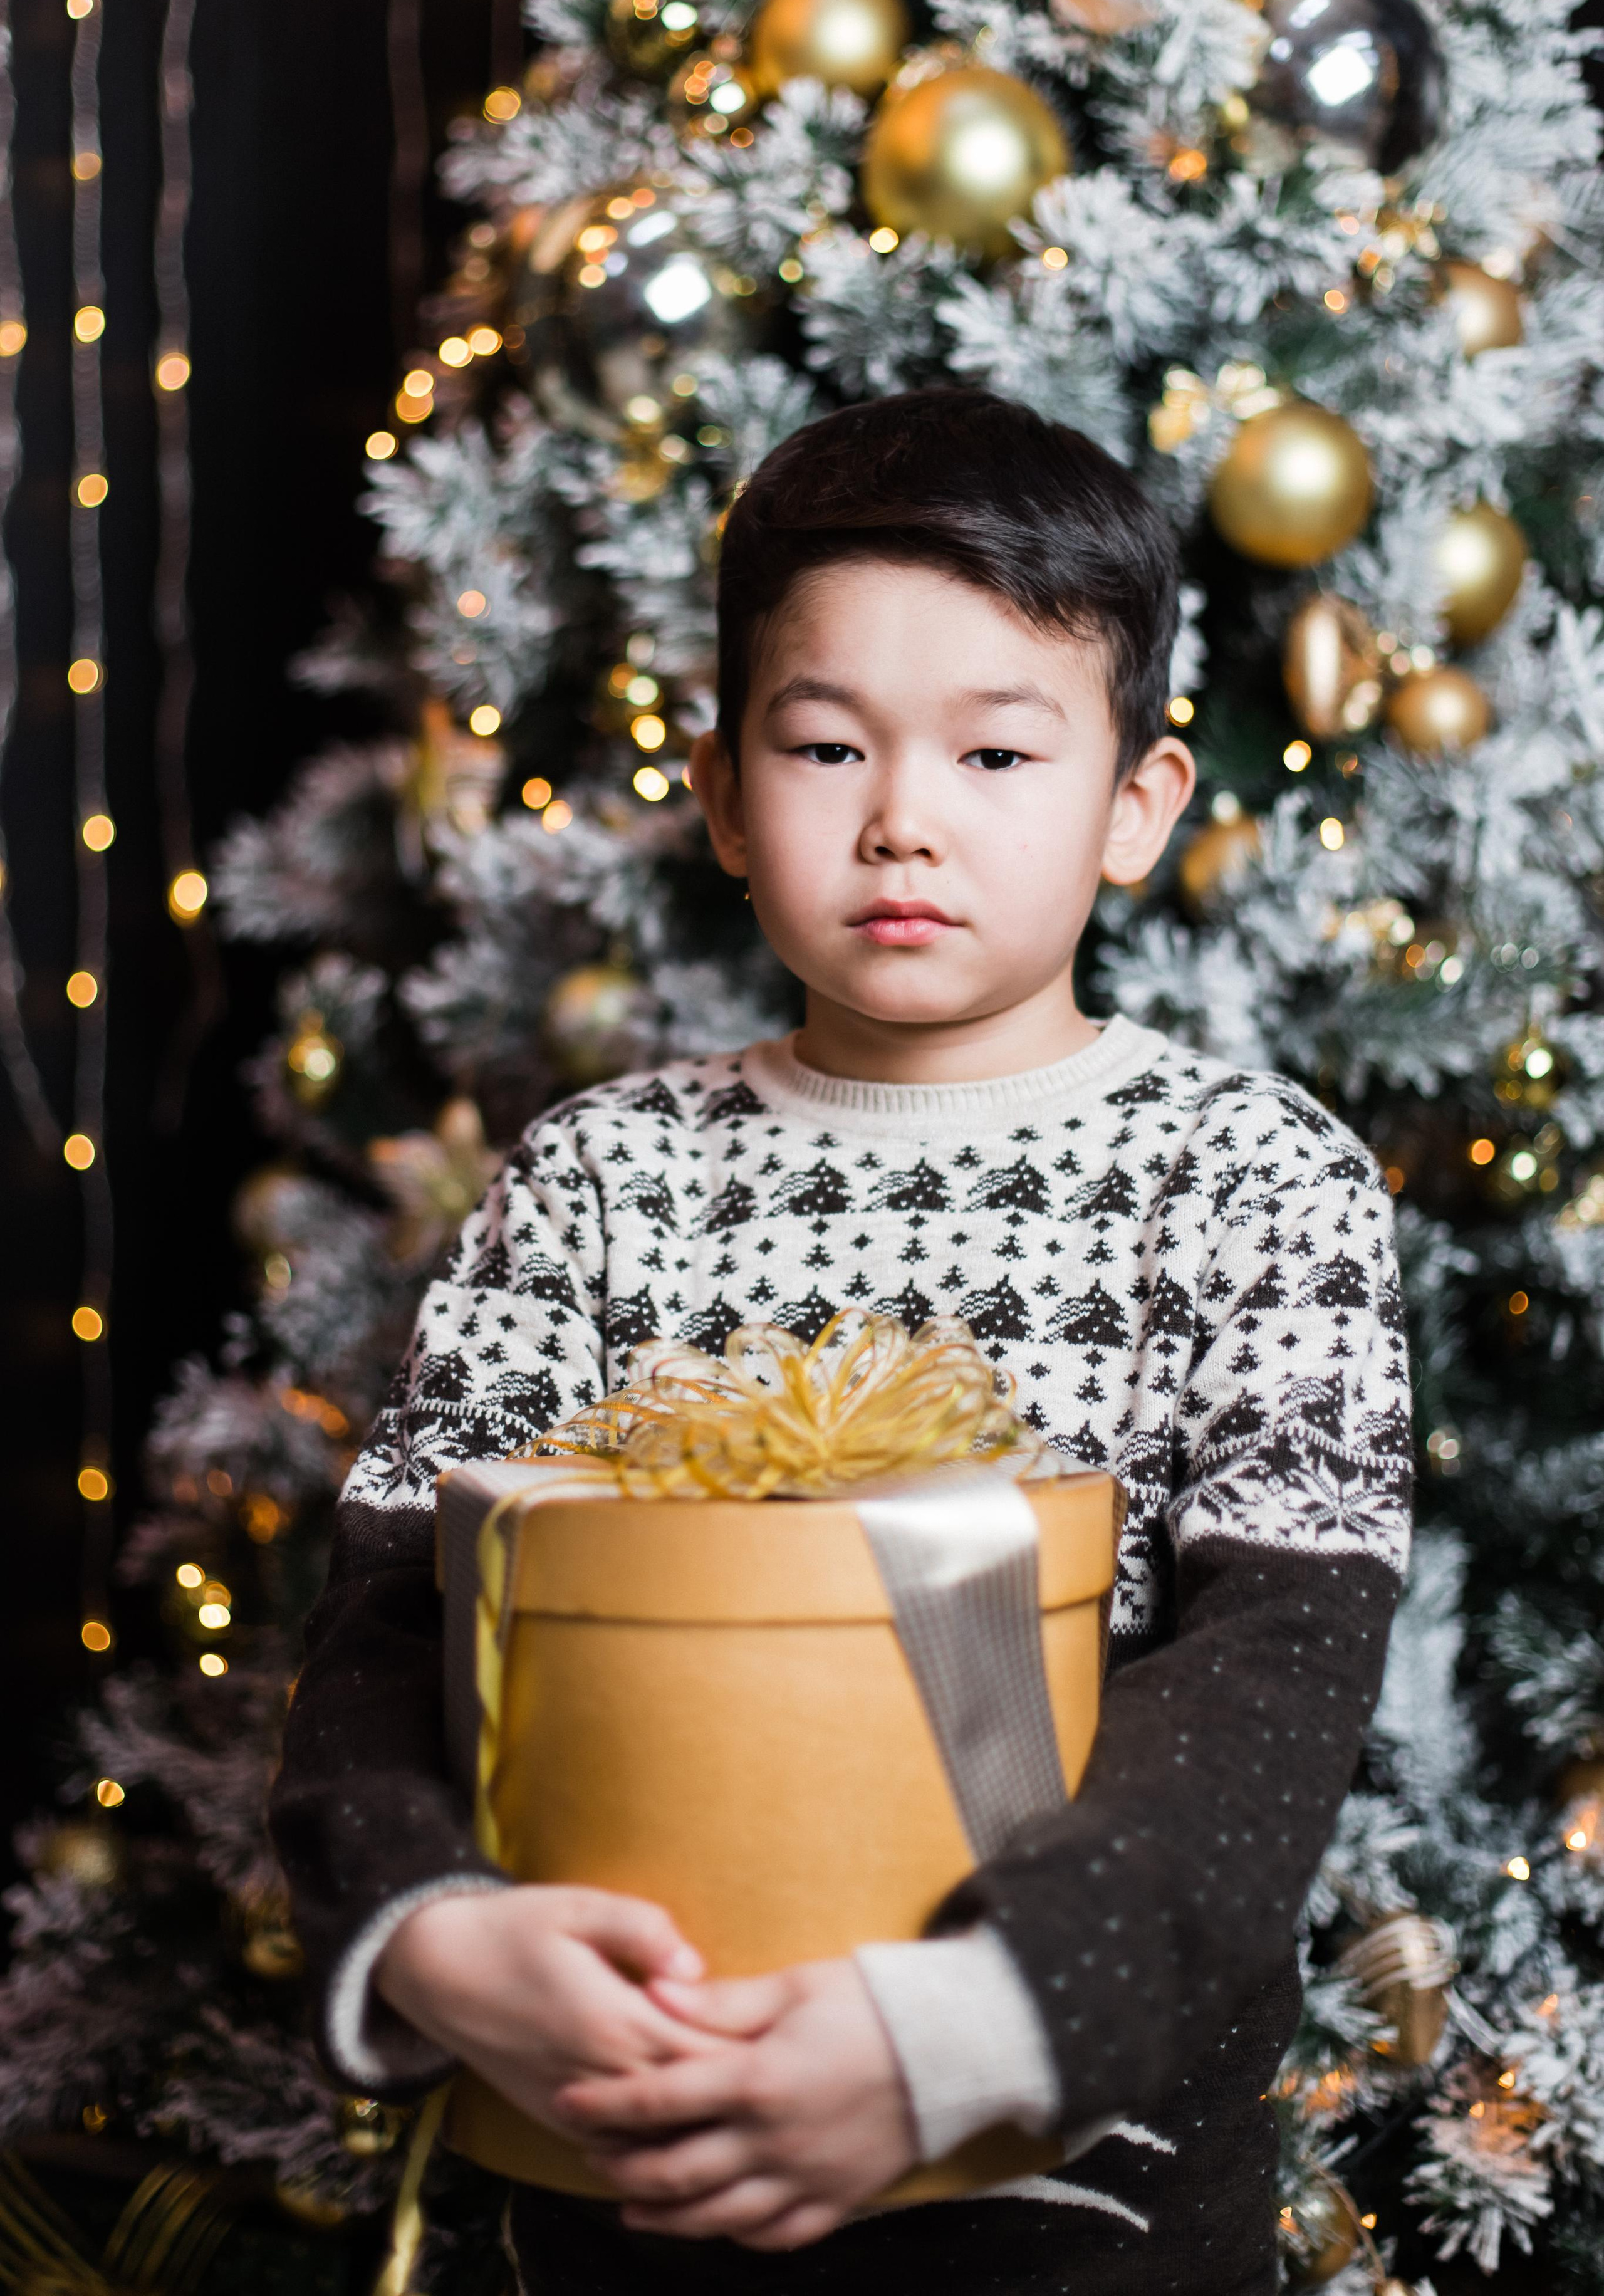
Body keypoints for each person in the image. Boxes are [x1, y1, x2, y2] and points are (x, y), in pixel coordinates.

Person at [270, 387, 1412, 2296]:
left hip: (1089, 2201)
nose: (902, 818)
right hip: (637, 2149)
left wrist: (967, 2033)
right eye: (823, 744)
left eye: (993, 753)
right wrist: (436, 1933)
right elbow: (399, 1622)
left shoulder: (1254, 1185)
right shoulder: (600, 1180)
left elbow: (1275, 1686)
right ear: (721, 795)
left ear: (1135, 808)